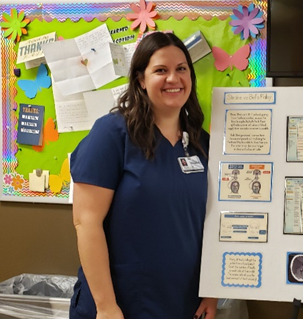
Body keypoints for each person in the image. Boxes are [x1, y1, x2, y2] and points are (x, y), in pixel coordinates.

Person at [69, 32, 217, 319]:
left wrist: (211, 292)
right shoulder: (112, 134)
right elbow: (86, 222)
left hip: (182, 303)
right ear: (140, 80)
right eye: (161, 70)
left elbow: (214, 224)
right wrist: (106, 306)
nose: (173, 79)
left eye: (181, 69)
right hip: (121, 305)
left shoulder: (203, 143)